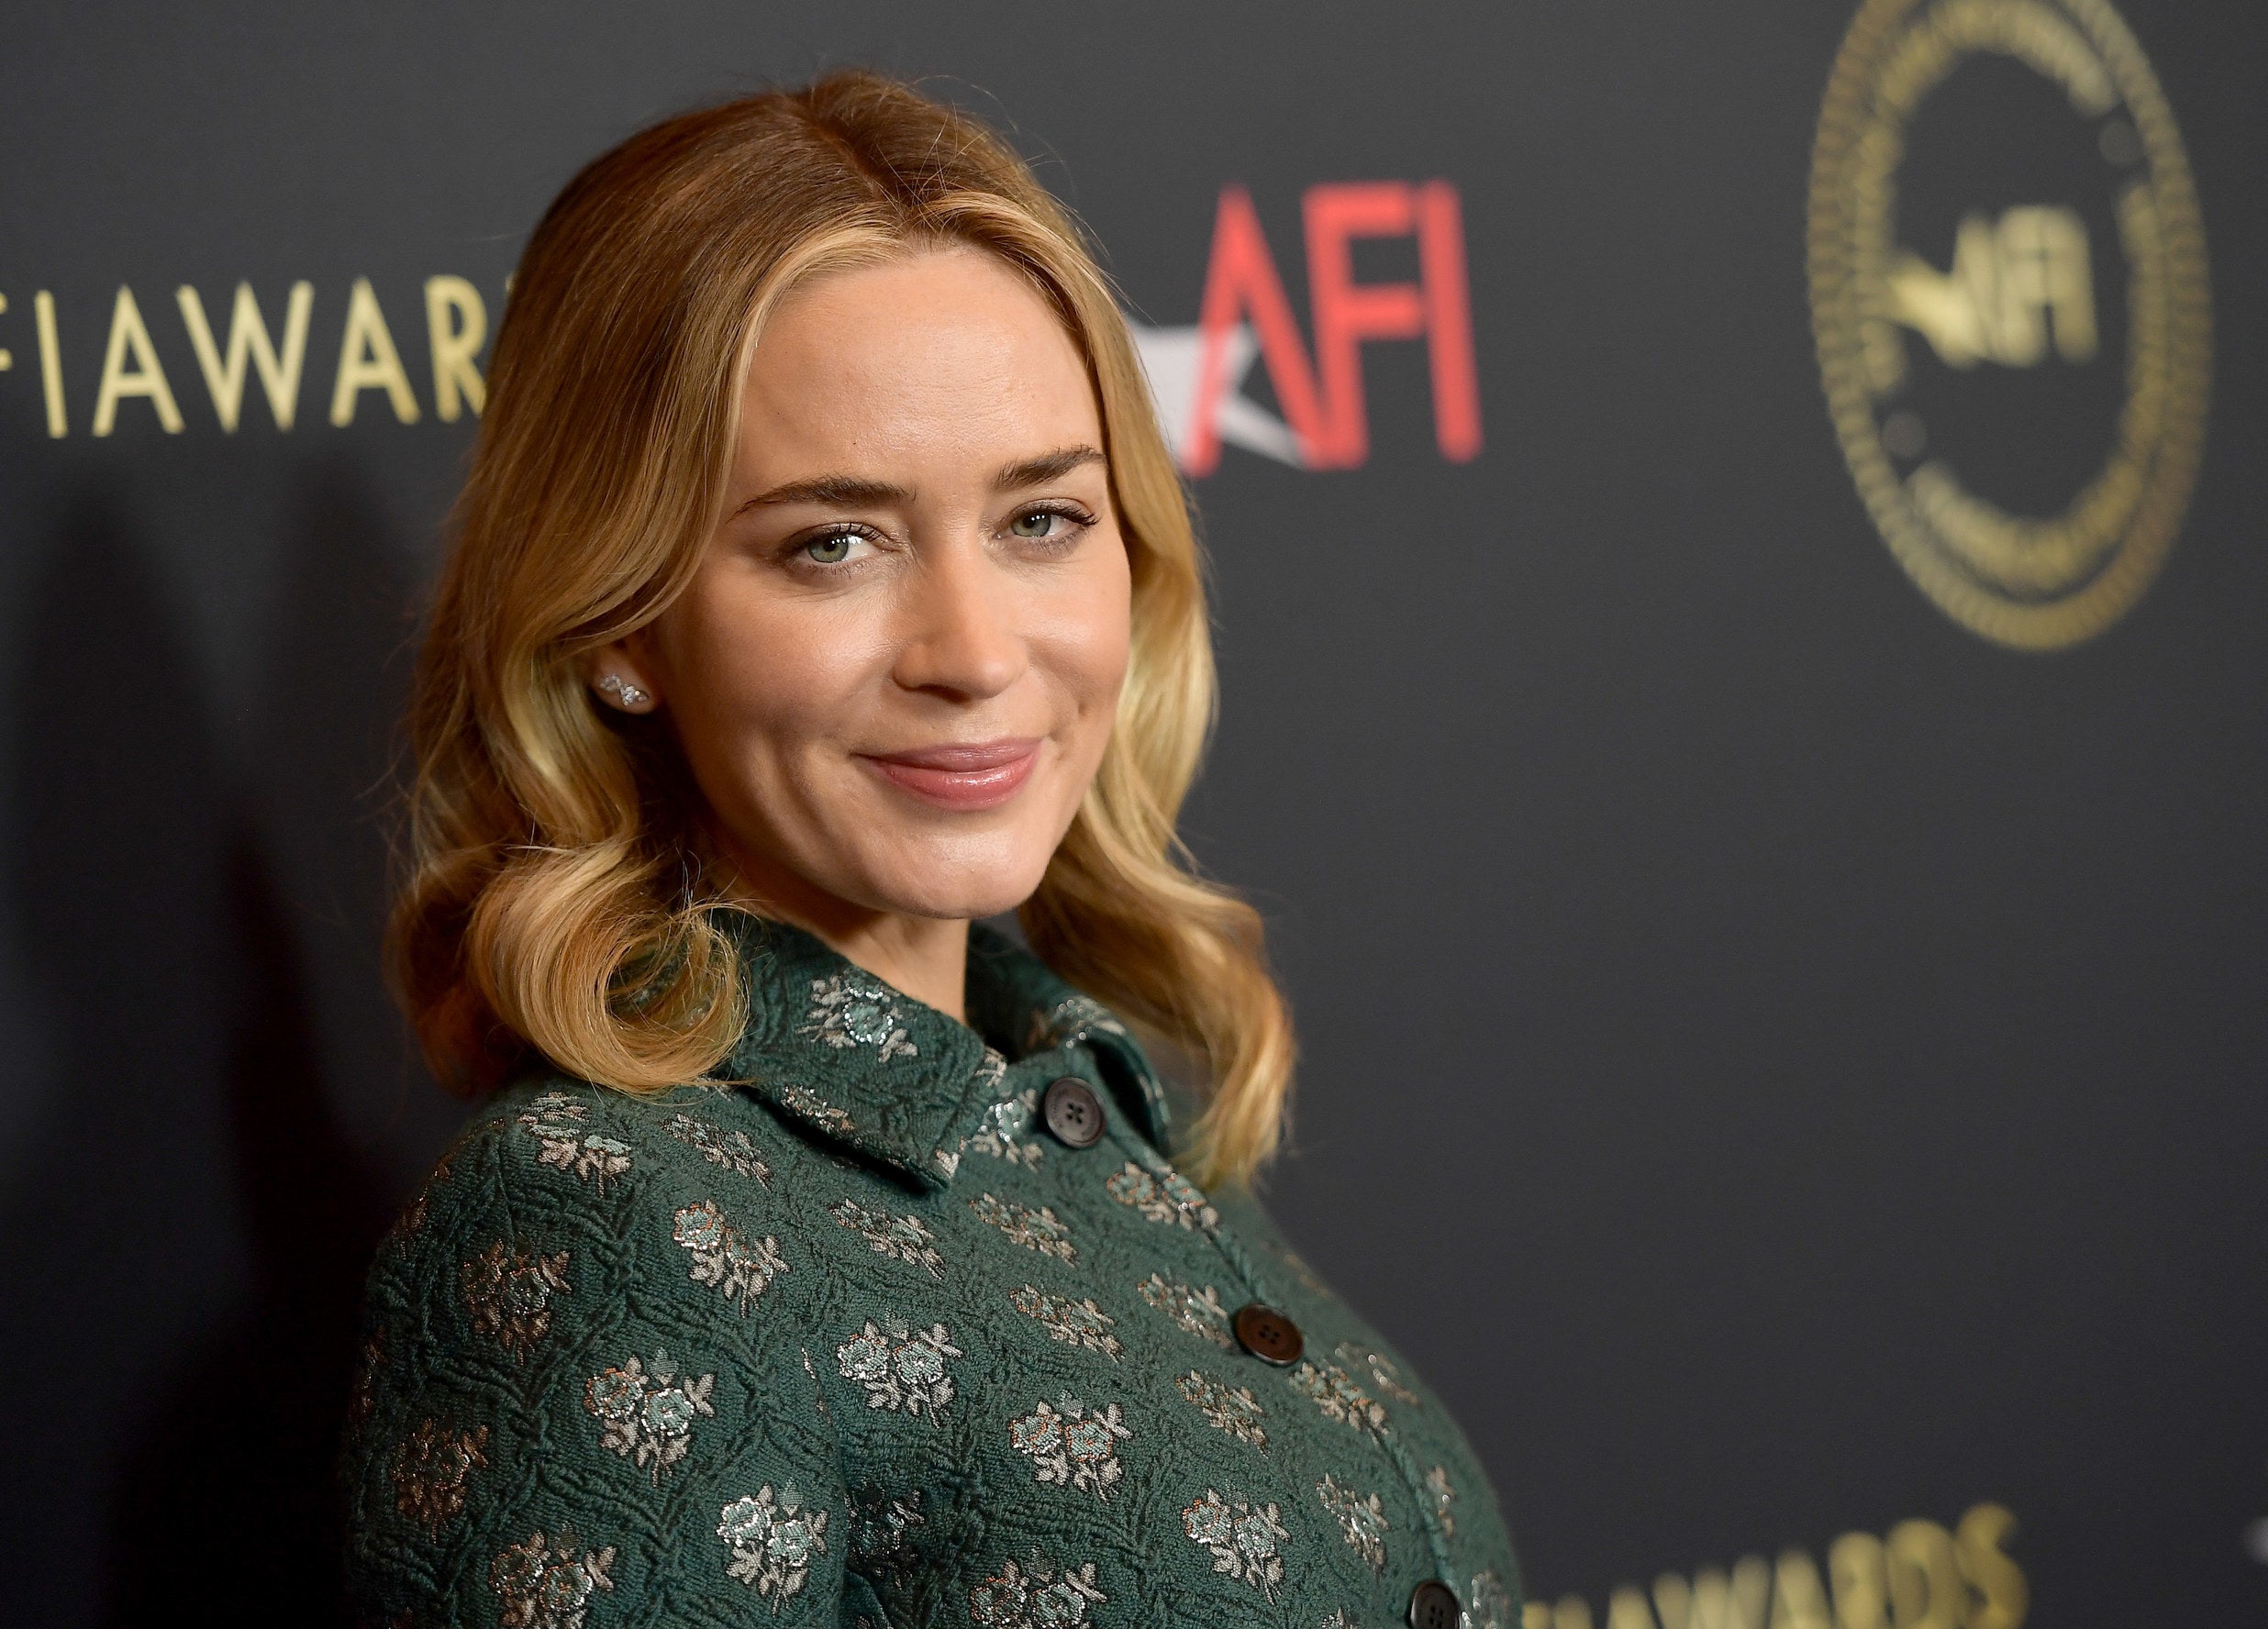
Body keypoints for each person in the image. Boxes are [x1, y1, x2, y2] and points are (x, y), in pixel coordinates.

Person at [346, 70, 1520, 1629]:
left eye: (1041, 519)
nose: (972, 652)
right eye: (833, 543)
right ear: (623, 622)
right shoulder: (608, 1218)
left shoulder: (1090, 1108)